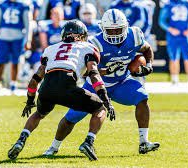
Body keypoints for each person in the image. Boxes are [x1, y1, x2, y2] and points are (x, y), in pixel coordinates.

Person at [43, 9, 160, 158]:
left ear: (126, 27)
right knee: (71, 118)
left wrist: (149, 65)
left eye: (118, 29)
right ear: (103, 29)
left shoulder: (135, 35)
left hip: (121, 83)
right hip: (95, 86)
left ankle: (144, 142)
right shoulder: (94, 43)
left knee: (142, 98)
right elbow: (85, 72)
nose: (115, 34)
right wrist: (105, 70)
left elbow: (147, 49)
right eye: (111, 31)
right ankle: (53, 147)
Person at [7, 20, 115, 161]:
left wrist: (29, 101)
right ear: (82, 35)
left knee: (39, 113)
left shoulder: (51, 49)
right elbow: (93, 74)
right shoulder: (87, 47)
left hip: (47, 87)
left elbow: (36, 78)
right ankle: (89, 142)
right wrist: (105, 99)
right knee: (100, 109)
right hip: (67, 85)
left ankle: (21, 140)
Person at [0, 0, 32, 95]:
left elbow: (28, 24)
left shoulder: (23, 5)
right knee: (0, 62)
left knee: (15, 62)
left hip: (18, 38)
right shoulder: (1, 4)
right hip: (3, 38)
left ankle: (13, 85)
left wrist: (28, 40)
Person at [159, 0, 188, 85]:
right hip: (173, 36)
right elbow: (161, 21)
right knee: (173, 57)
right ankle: (174, 79)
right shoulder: (168, 4)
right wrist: (170, 29)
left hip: (185, 35)